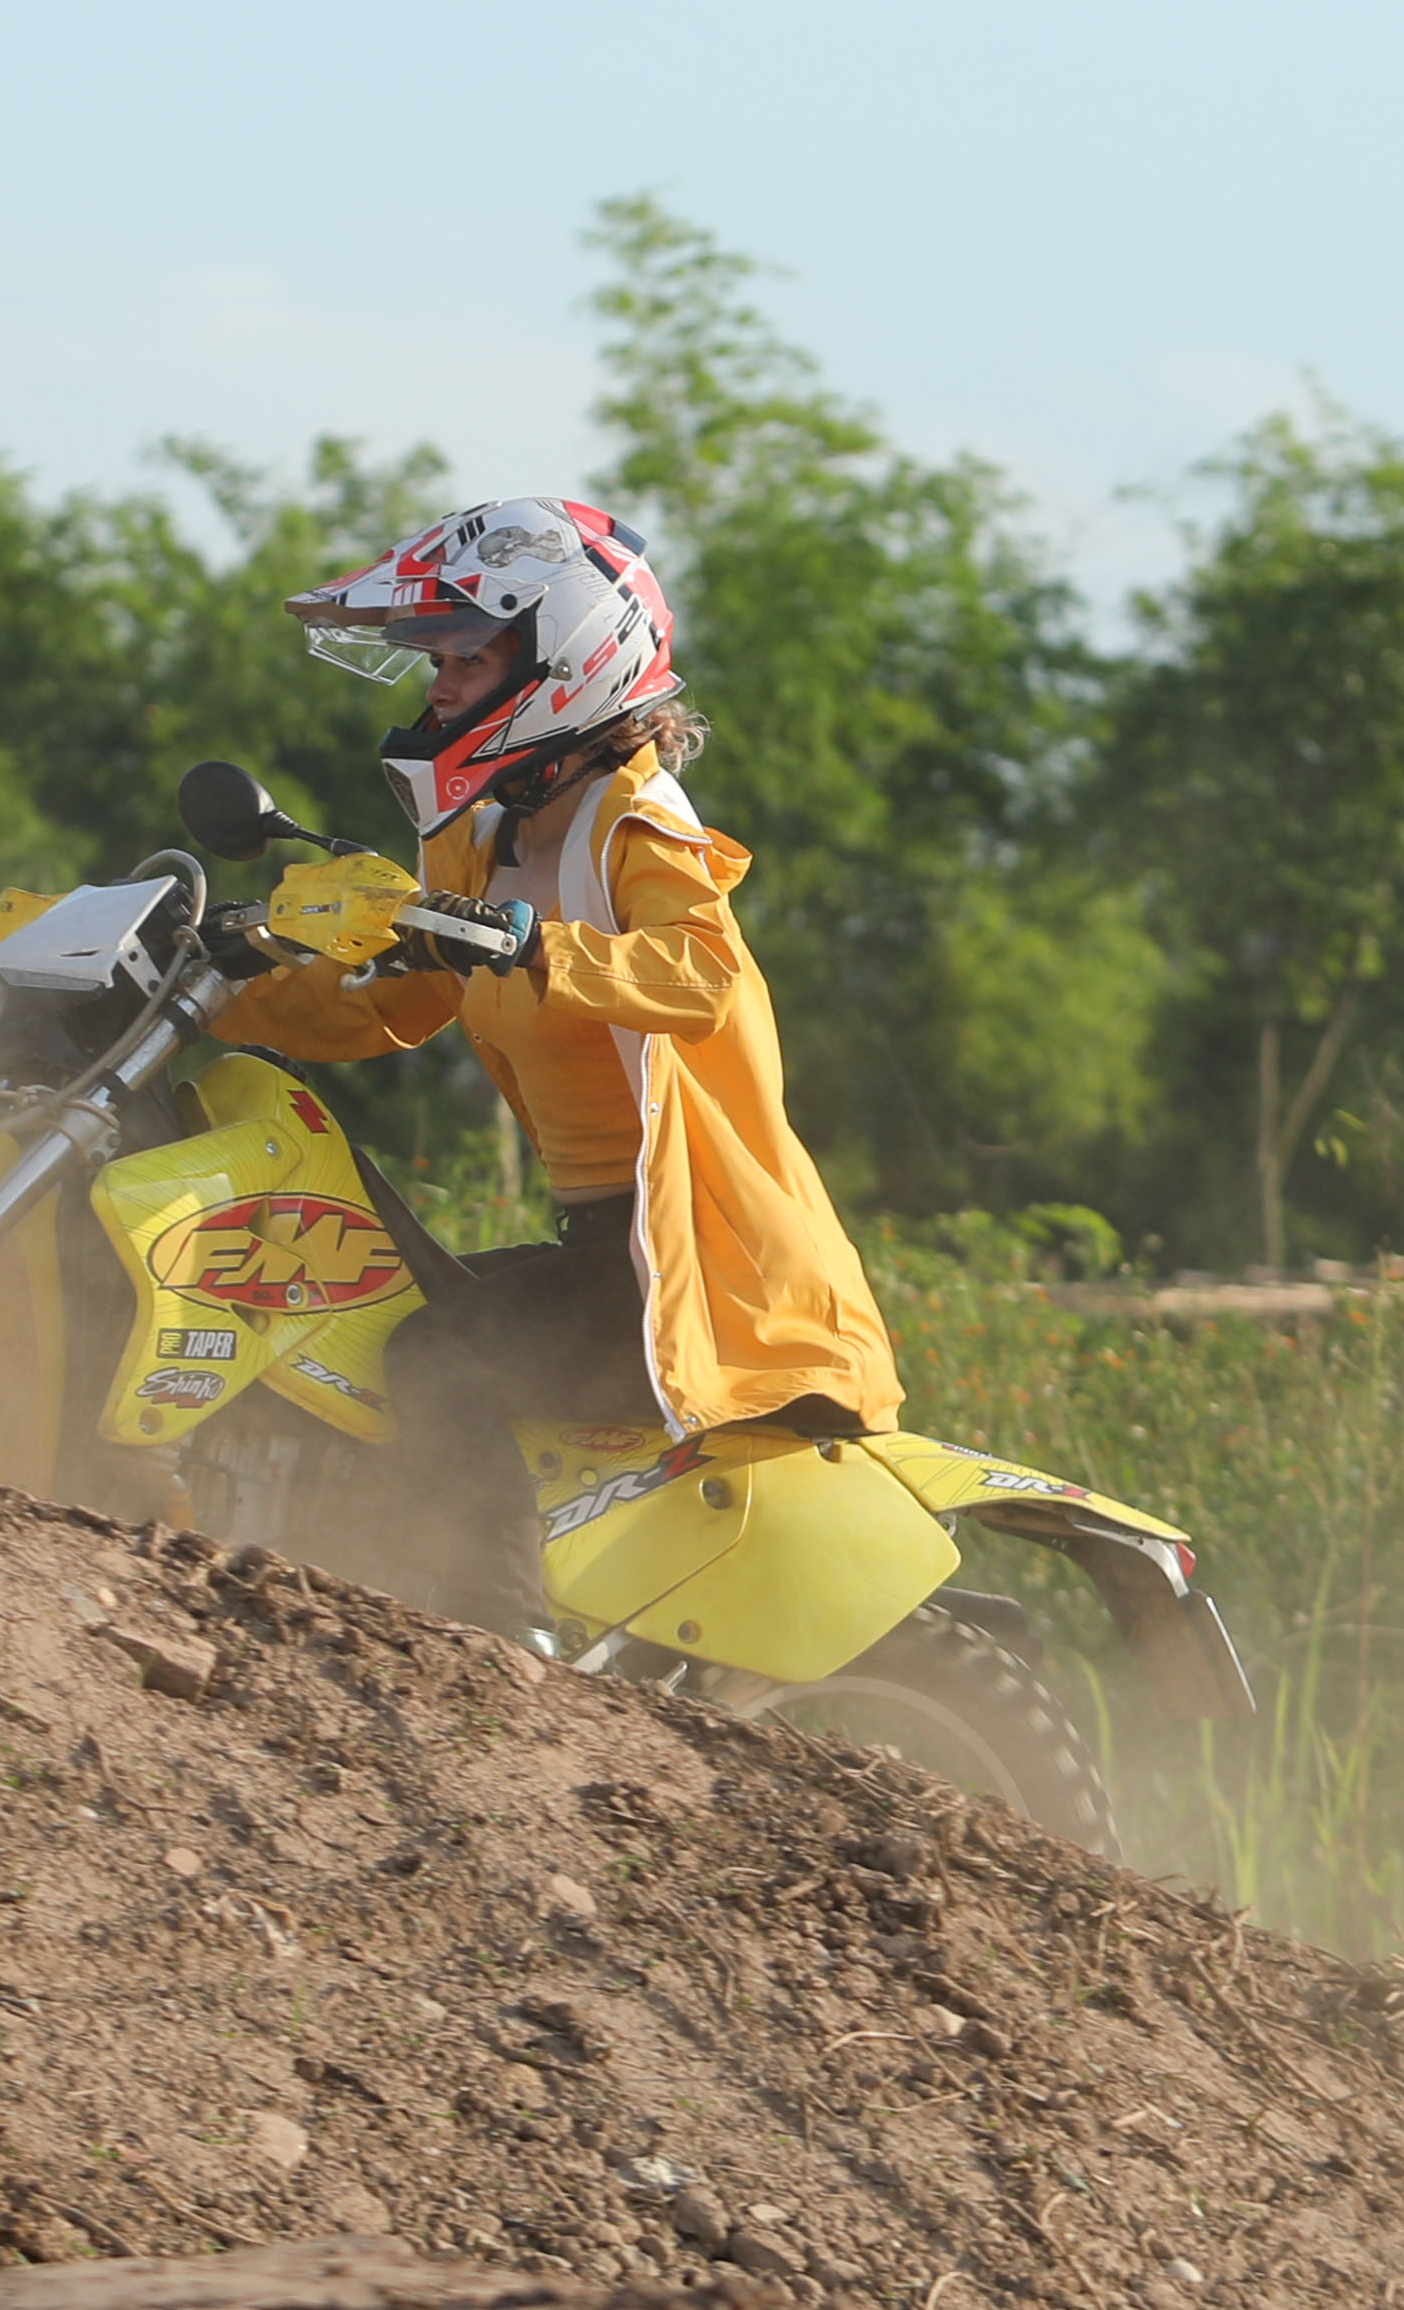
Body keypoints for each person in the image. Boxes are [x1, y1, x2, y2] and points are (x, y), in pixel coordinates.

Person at [213, 496, 899, 1628]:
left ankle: (493, 1641)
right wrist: (219, 997)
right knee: (340, 1306)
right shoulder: (478, 837)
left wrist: (541, 948)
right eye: (430, 657)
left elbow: (703, 978)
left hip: (701, 1266)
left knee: (437, 1357)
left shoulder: (636, 824)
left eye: (463, 655)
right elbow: (392, 1006)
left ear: (563, 661)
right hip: (606, 1251)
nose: (435, 684)